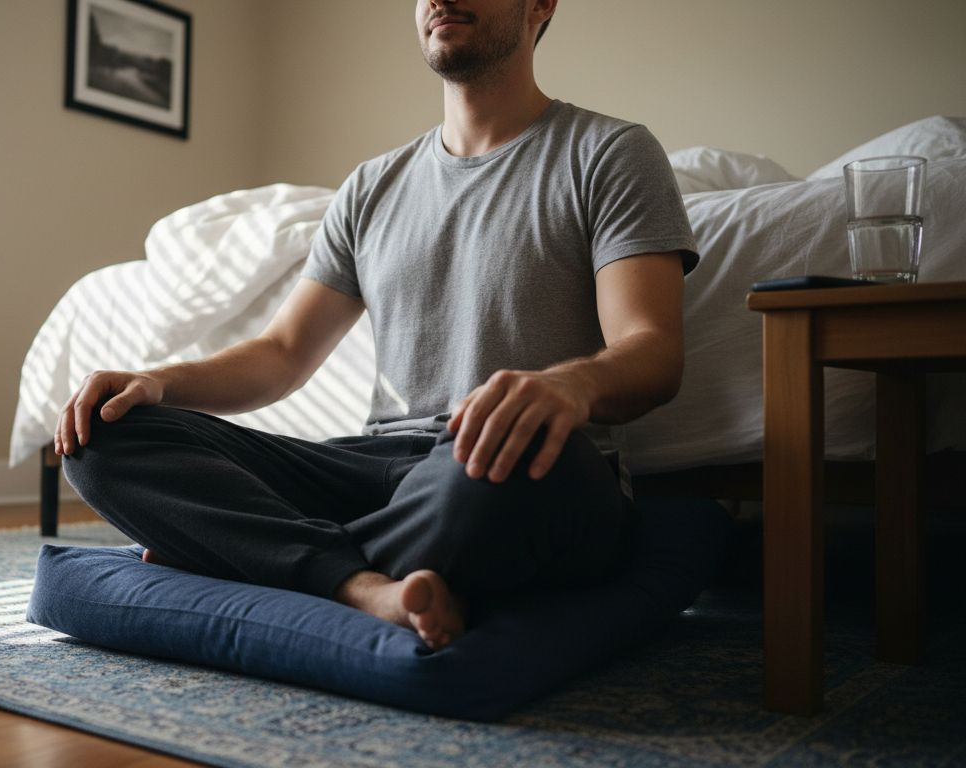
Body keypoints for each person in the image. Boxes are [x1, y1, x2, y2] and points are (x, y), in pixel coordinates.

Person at [55, 0, 697, 652]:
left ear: (539, 4)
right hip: (376, 476)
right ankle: (362, 588)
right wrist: (153, 383)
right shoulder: (370, 187)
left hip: (515, 470)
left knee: (505, 473)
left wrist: (570, 386)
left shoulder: (609, 153)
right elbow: (281, 353)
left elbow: (652, 349)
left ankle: (246, 559)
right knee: (102, 438)